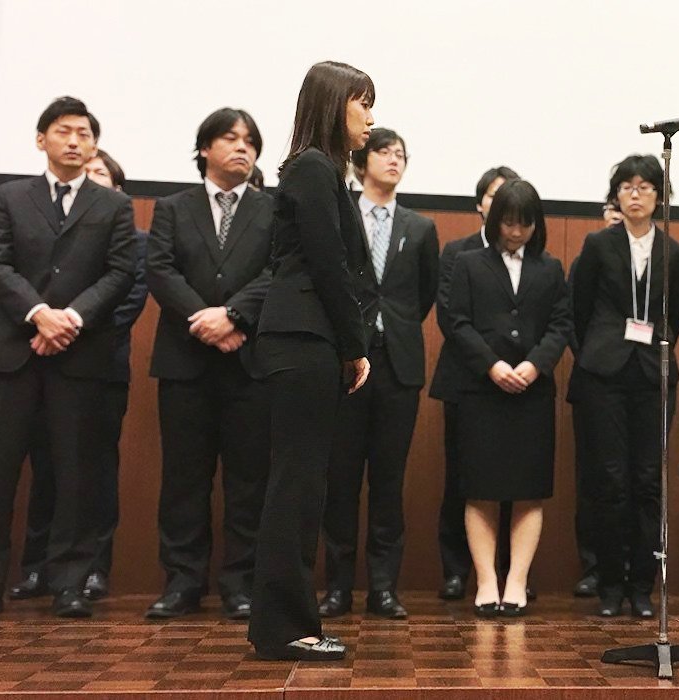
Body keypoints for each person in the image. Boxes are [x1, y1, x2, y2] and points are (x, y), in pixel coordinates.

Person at [0, 97, 136, 618]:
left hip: (78, 355)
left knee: (75, 472)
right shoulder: (9, 196)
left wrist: (69, 319)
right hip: (14, 353)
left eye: (85, 133)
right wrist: (38, 314)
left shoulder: (112, 206)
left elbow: (119, 273)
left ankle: (69, 582)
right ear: (41, 139)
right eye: (64, 131)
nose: (75, 141)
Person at [247, 60, 373, 662]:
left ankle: (286, 623)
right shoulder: (315, 169)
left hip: (303, 340)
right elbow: (328, 266)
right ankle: (284, 627)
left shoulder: (317, 170)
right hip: (303, 340)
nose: (370, 117)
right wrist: (355, 345)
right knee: (296, 486)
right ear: (333, 106)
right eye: (362, 103)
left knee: (300, 484)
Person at [144, 108, 274, 621]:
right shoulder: (173, 208)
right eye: (230, 138)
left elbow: (278, 270)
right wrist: (205, 319)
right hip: (186, 361)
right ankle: (182, 582)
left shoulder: (273, 210)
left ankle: (241, 584)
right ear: (204, 148)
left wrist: (235, 315)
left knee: (249, 481)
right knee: (183, 479)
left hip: (249, 363)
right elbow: (159, 268)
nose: (242, 147)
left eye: (250, 141)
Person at [8, 149, 148, 603]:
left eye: (99, 174)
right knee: (45, 467)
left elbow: (125, 303)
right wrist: (48, 328)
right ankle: (37, 568)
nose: (88, 181)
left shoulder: (134, 239)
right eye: (84, 174)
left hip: (100, 368)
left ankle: (91, 569)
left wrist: (69, 330)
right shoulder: (55, 235)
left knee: (94, 472)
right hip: (42, 363)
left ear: (118, 189)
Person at [319, 128, 439, 620]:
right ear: (362, 161)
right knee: (341, 478)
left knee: (389, 481)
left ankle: (384, 588)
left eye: (402, 154)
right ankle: (338, 588)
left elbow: (424, 294)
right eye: (385, 152)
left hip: (398, 364)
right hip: (349, 361)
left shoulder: (421, 227)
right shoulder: (341, 212)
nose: (395, 160)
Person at [570, 154, 679, 618]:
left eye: (645, 186)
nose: (635, 194)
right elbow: (580, 309)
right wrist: (592, 352)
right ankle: (609, 585)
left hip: (652, 373)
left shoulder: (673, 251)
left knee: (647, 483)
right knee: (609, 481)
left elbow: (672, 316)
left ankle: (643, 586)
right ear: (615, 194)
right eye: (627, 186)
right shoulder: (598, 244)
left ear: (659, 196)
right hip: (603, 375)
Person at [447, 179, 571, 617]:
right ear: (494, 220)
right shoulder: (467, 263)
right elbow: (456, 322)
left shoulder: (550, 268)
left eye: (525, 224)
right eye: (509, 223)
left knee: (528, 491)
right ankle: (486, 582)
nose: (516, 232)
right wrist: (492, 365)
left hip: (532, 393)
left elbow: (561, 325)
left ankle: (516, 581)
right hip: (482, 391)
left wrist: (535, 365)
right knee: (479, 489)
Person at [429, 166, 519, 601]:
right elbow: (450, 315)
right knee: (462, 478)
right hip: (468, 380)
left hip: (518, 382)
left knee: (511, 482)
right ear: (480, 204)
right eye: (494, 196)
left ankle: (509, 574)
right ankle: (456, 570)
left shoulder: (530, 255)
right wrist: (490, 363)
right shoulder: (457, 251)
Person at [568, 194, 626, 599]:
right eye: (611, 214)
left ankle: (630, 567)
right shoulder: (590, 255)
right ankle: (594, 565)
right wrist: (591, 359)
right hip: (596, 380)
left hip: (638, 383)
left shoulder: (652, 257)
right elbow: (574, 316)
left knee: (636, 480)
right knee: (595, 478)